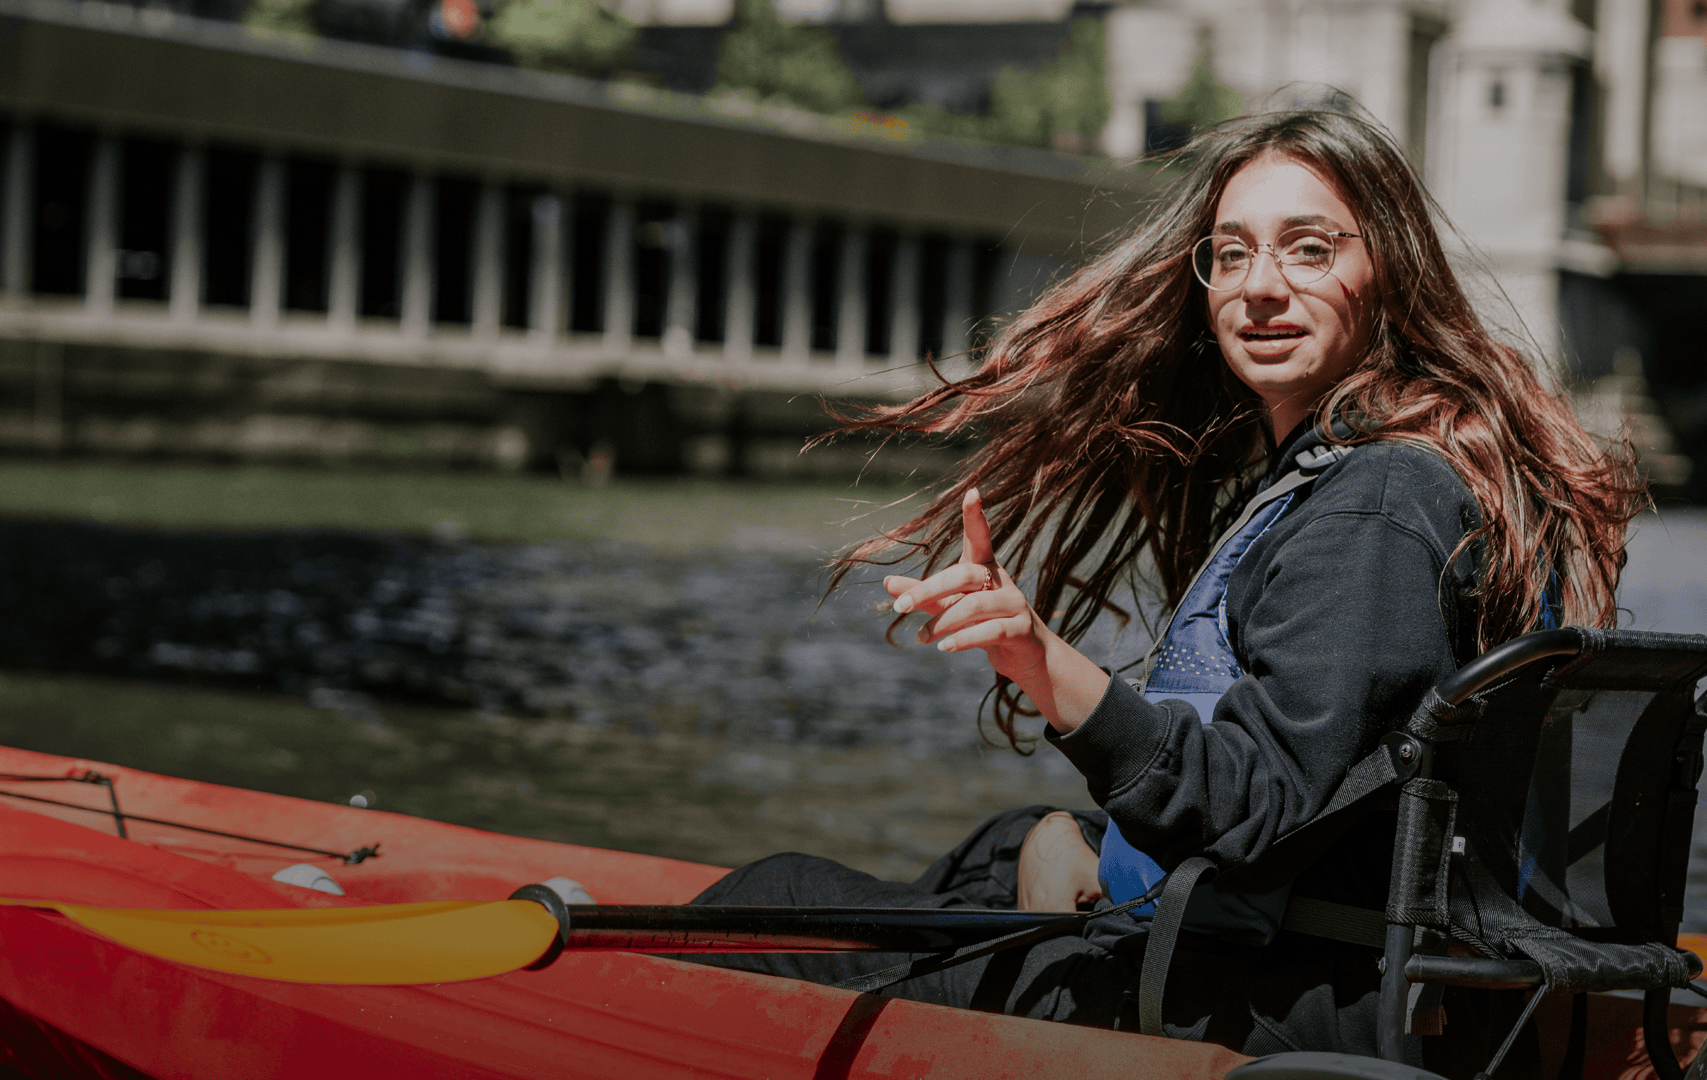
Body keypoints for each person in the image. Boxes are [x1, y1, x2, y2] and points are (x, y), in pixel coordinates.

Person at [678, 108, 1643, 1073]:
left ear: (1389, 269)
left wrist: (1039, 658)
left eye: (1309, 250)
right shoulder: (1372, 469)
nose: (1260, 286)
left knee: (762, 901)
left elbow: (1251, 808)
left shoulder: (1379, 504)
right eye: (1230, 255)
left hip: (1274, 1010)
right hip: (1297, 959)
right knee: (1004, 845)